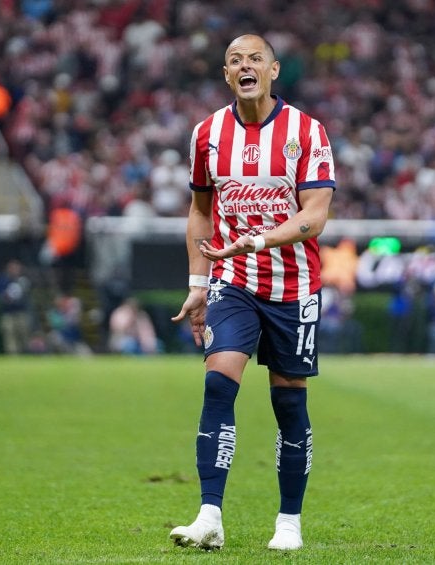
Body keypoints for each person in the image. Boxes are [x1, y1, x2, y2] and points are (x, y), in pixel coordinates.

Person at [169, 34, 335, 552]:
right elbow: (200, 210)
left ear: (273, 70)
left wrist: (259, 240)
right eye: (235, 61)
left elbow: (314, 217)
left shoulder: (306, 131)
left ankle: (289, 522)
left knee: (289, 403)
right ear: (226, 75)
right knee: (218, 383)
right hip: (233, 280)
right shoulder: (207, 134)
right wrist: (198, 284)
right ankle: (209, 516)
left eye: (255, 59)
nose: (245, 66)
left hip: (294, 285)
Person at [0, 259, 32, 355]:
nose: (15, 270)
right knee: (9, 335)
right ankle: (12, 357)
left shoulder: (23, 280)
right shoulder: (2, 281)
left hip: (21, 313)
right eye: (12, 268)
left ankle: (26, 355)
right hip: (7, 313)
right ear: (8, 269)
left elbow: (27, 297)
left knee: (24, 335)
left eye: (16, 268)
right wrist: (6, 297)